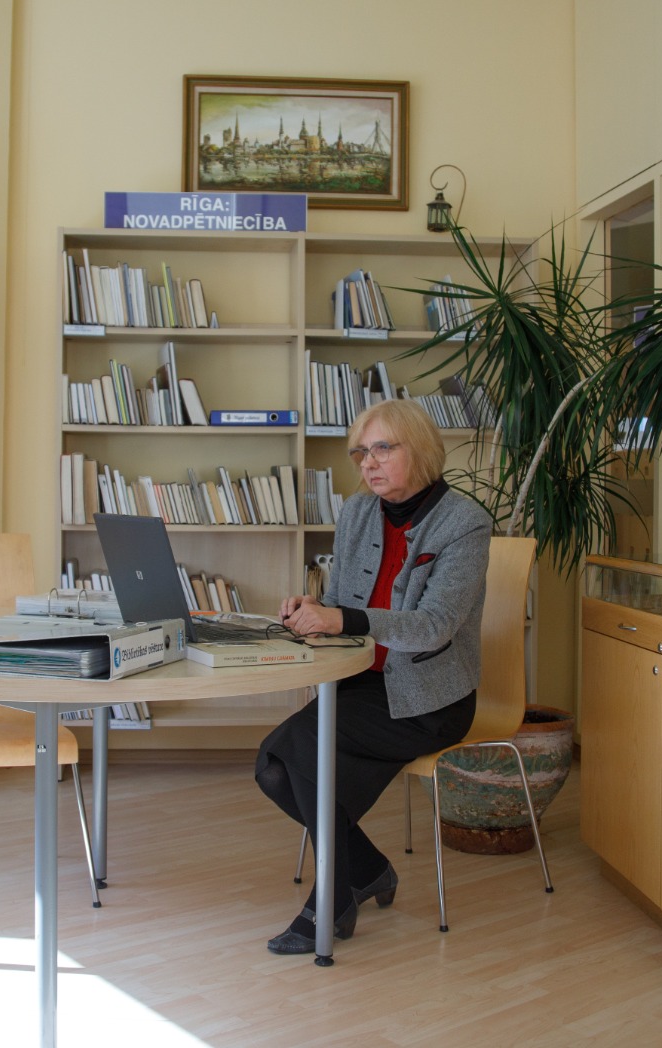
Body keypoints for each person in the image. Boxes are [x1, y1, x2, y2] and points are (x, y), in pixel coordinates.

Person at [256, 398, 492, 954]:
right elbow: (343, 603)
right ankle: (366, 870)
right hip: (363, 684)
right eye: (361, 452)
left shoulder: (465, 523)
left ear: (421, 449)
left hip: (430, 699)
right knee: (274, 767)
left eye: (383, 448)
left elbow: (434, 626)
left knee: (301, 747)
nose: (368, 463)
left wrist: (342, 618)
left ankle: (332, 900)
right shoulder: (358, 512)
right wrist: (315, 610)